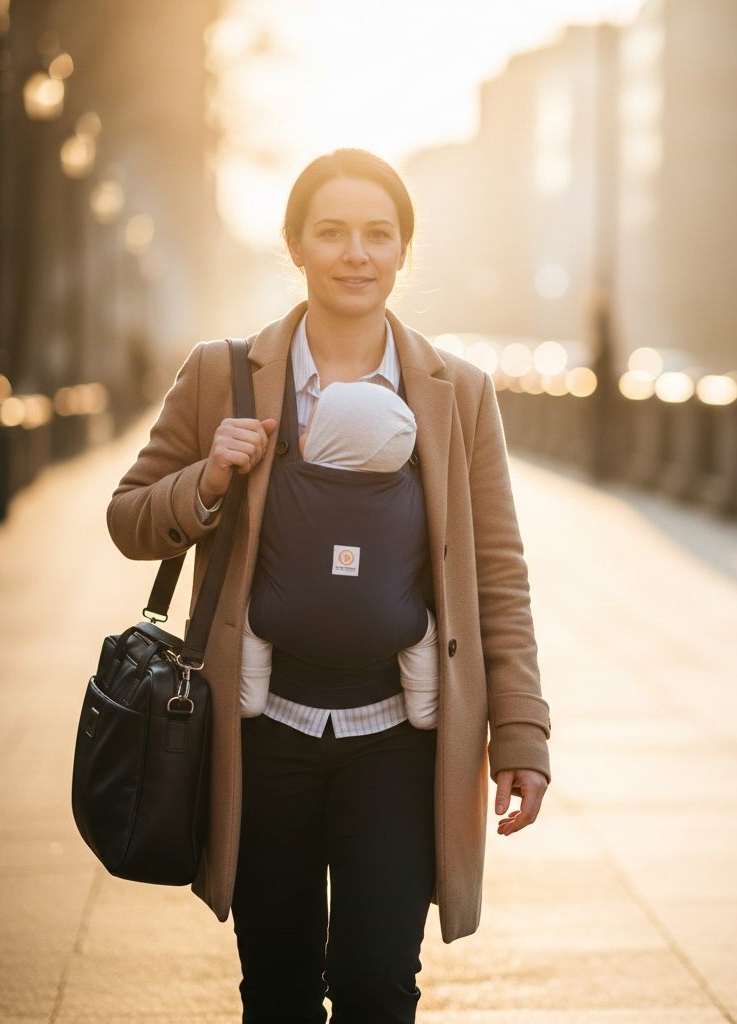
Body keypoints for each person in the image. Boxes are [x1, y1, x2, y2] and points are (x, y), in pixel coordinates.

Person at [107, 148, 551, 1024]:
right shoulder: (221, 374)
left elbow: (498, 574)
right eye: (333, 233)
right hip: (259, 736)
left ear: (403, 253)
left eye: (378, 235)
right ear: (297, 247)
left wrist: (523, 733)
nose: (357, 254)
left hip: (399, 742)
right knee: (275, 991)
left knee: (378, 985)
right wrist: (207, 478)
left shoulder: (457, 394)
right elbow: (129, 519)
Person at [239, 379, 440, 730]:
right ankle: (425, 709)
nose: (302, 430)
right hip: (391, 620)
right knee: (425, 633)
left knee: (249, 626)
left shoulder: (282, 483)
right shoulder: (414, 497)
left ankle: (249, 698)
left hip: (278, 614)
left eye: (312, 426)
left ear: (333, 437)